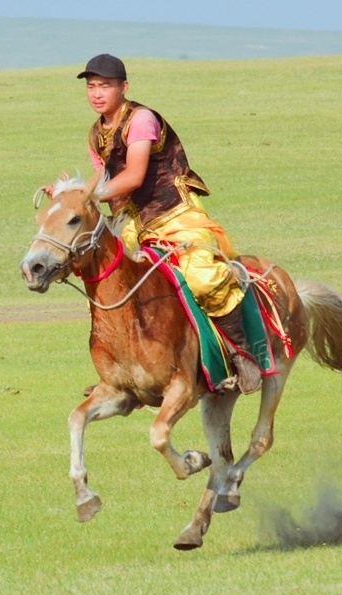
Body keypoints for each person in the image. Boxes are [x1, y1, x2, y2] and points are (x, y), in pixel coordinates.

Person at [76, 53, 262, 393]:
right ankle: (123, 368)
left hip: (174, 214)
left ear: (124, 87)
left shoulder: (141, 119)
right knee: (110, 281)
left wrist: (88, 196)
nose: (96, 93)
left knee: (203, 277)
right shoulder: (95, 133)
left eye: (105, 86)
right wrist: (70, 195)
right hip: (131, 225)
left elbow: (133, 176)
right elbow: (101, 176)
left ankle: (241, 354)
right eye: (91, 87)